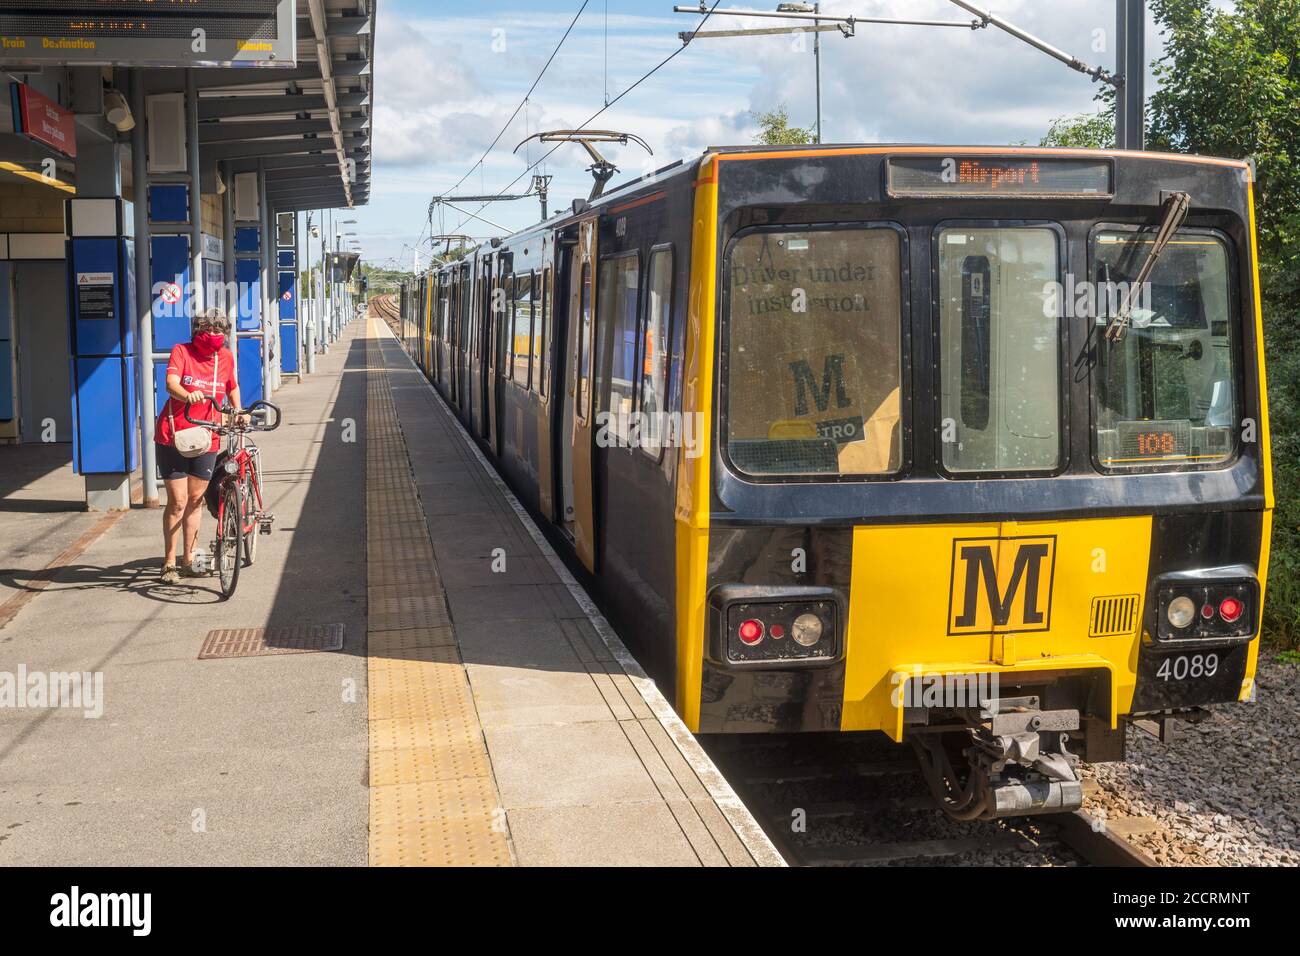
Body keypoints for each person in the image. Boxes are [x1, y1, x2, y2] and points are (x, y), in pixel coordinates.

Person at [155, 308, 243, 584]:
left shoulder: (226, 357)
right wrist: (187, 394)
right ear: (197, 332)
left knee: (195, 500)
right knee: (178, 502)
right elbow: (171, 383)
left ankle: (189, 559)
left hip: (208, 436)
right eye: (210, 330)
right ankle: (169, 562)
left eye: (220, 331)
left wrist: (238, 410)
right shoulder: (182, 351)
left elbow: (232, 386)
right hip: (174, 435)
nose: (215, 335)